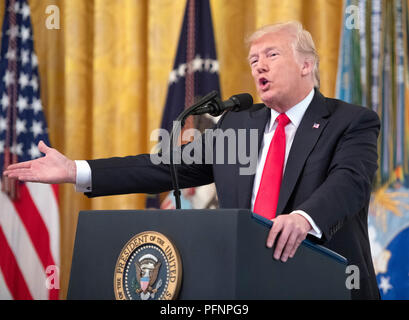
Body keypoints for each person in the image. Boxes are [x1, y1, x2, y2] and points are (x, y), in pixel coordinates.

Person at [4, 21, 380, 299]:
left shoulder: (351, 121)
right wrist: (76, 170)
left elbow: (349, 182)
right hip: (246, 290)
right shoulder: (239, 125)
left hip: (325, 287)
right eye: (253, 59)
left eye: (272, 55)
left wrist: (303, 218)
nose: (259, 67)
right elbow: (164, 166)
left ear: (306, 65)